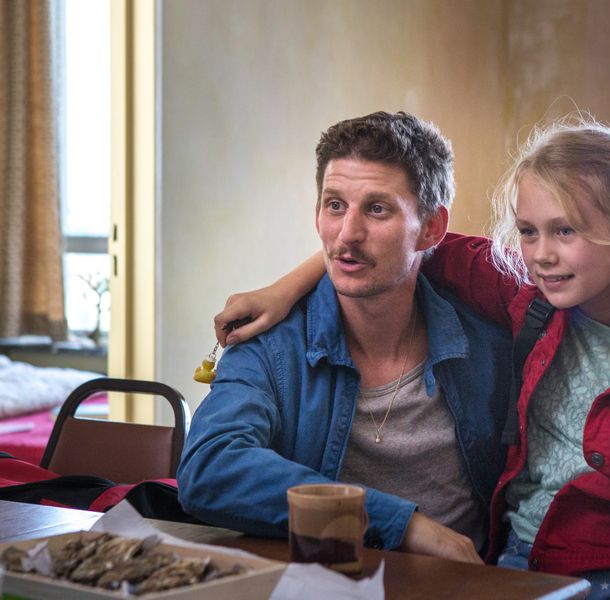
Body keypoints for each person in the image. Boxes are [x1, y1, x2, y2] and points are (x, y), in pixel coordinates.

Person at [216, 115, 610, 599]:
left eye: (566, 230)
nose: (542, 255)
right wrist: (284, 289)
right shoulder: (526, 294)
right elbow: (379, 248)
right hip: (515, 568)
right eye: (528, 232)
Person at [177, 111, 514, 565]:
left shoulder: (487, 345)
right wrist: (403, 525)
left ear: (431, 228)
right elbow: (209, 468)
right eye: (335, 205)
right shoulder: (269, 345)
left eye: (377, 209)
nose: (348, 235)